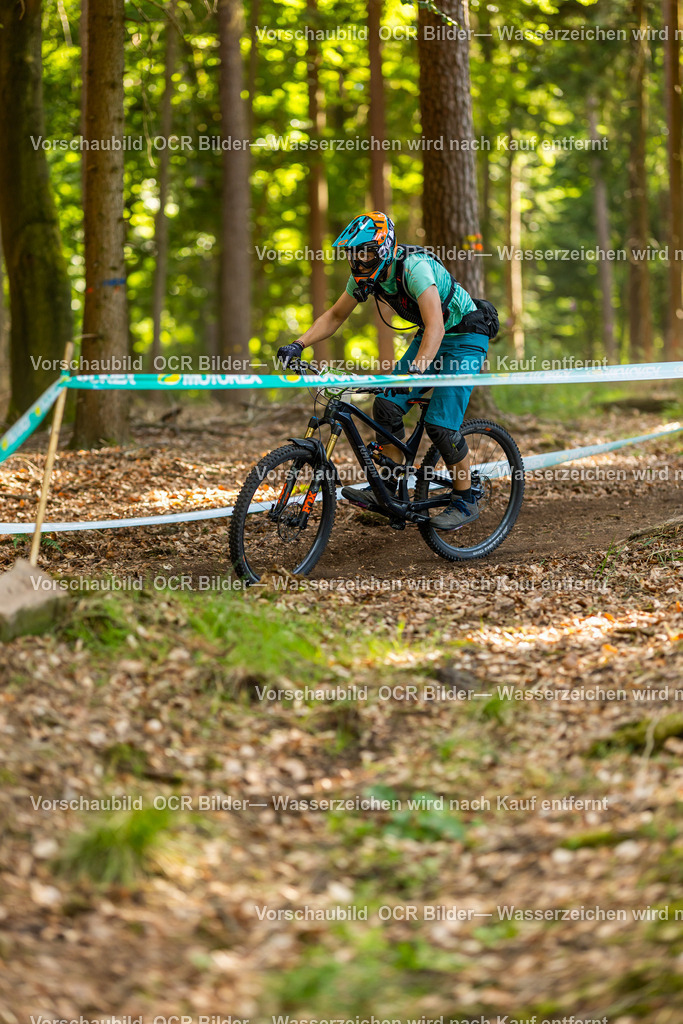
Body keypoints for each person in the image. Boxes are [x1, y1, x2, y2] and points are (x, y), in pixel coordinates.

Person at [277, 211, 496, 530]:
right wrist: (298, 344)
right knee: (387, 404)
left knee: (440, 425)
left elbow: (435, 324)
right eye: (352, 253)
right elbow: (335, 316)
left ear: (383, 248)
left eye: (364, 252)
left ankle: (466, 498)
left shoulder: (414, 268)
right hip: (432, 335)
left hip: (465, 335)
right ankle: (392, 485)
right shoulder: (365, 276)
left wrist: (419, 369)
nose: (357, 260)